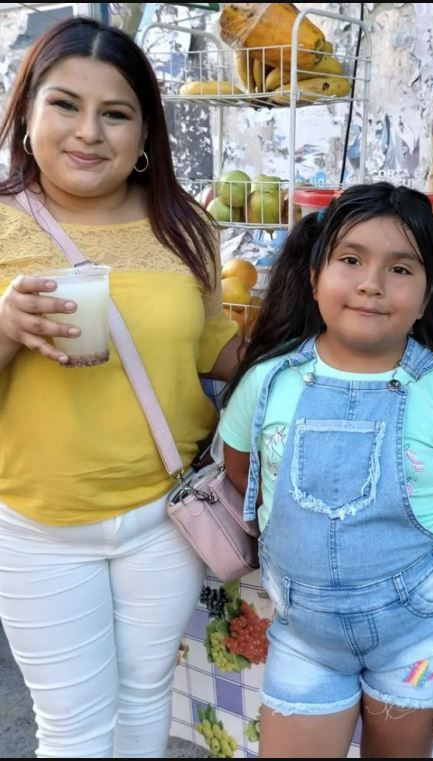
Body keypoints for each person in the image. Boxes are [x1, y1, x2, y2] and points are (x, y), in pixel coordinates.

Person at [0, 16, 241, 759]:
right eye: (65, 104)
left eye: (116, 113)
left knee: (145, 710)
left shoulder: (183, 228)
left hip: (162, 516)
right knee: (73, 732)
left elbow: (217, 351)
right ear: (27, 114)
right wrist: (6, 326)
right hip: (39, 530)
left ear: (144, 136)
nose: (88, 133)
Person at [219, 182, 433, 758]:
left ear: (429, 294)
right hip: (305, 640)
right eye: (350, 259)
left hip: (419, 640)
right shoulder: (267, 383)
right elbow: (243, 478)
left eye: (401, 269)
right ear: (314, 274)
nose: (371, 284)